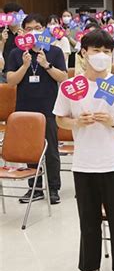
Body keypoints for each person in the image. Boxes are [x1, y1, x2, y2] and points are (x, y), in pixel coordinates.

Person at [53, 29, 114, 271]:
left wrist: (113, 122)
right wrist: (76, 123)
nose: (101, 56)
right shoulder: (70, 87)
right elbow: (60, 119)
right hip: (83, 165)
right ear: (83, 53)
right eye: (96, 51)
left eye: (106, 51)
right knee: (88, 222)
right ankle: (90, 268)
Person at [5, 13, 68, 205]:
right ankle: (35, 186)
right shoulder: (17, 53)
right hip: (25, 109)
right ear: (23, 31)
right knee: (30, 150)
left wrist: (46, 64)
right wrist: (25, 66)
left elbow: (63, 78)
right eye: (30, 28)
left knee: (50, 150)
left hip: (48, 107)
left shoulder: (54, 51)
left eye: (38, 28)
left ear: (44, 30)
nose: (34, 32)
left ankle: (54, 187)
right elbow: (10, 81)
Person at [1, 2, 24, 69]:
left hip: (21, 69)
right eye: (10, 14)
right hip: (5, 69)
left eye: (15, 14)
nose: (13, 17)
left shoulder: (25, 32)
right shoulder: (2, 32)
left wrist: (22, 39)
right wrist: (2, 42)